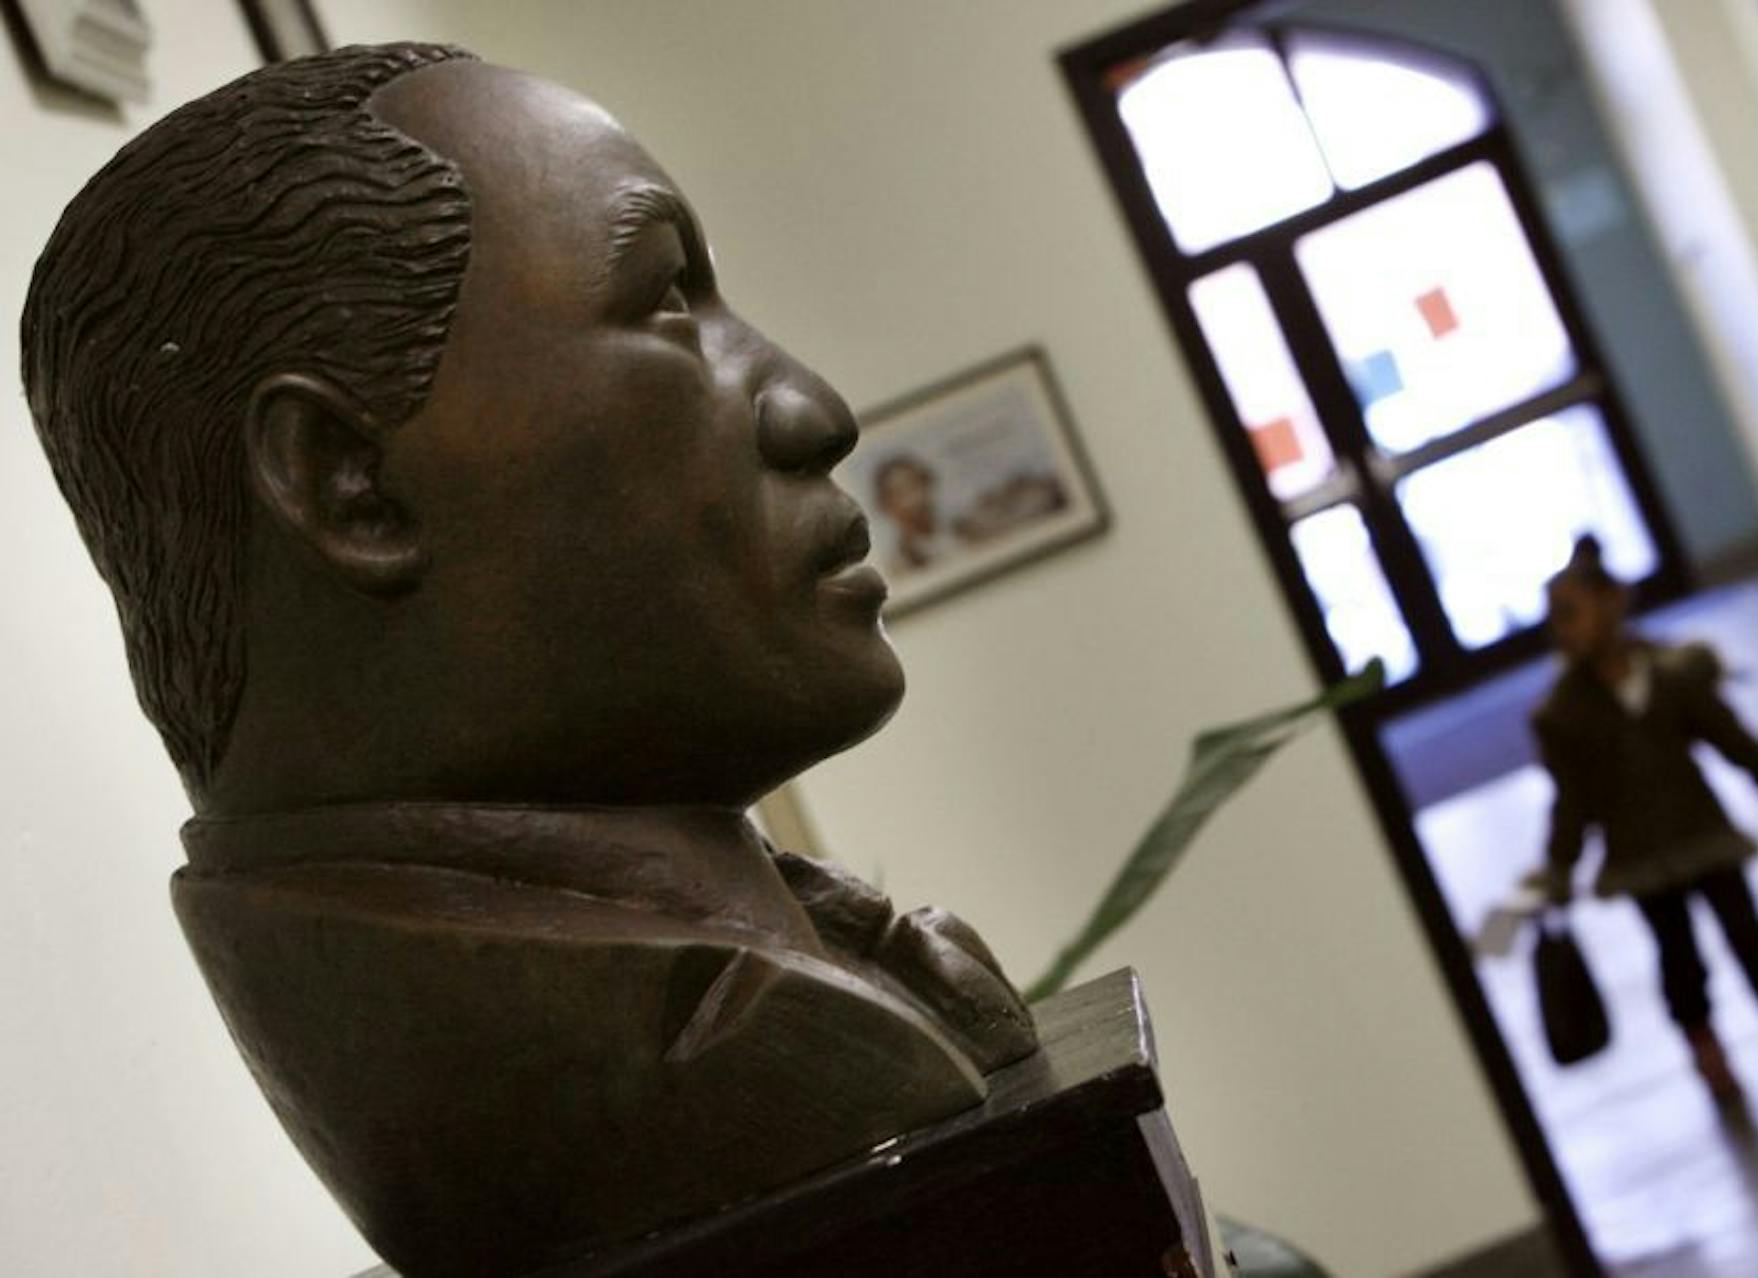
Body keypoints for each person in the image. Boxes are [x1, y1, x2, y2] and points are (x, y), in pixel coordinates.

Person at [20, 44, 1033, 1274]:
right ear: (355, 488)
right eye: (664, 303)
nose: (812, 410)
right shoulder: (623, 1062)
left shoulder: (779, 960)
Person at [1533, 537, 1758, 1101]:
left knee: (1748, 930)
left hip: (1703, 834)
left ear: (1613, 602)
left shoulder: (1673, 673)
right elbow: (1571, 801)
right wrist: (1560, 867)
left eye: (1570, 614)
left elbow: (1727, 733)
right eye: (1555, 621)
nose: (1563, 631)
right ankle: (1706, 1050)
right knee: (1678, 956)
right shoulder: (1563, 714)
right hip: (1640, 858)